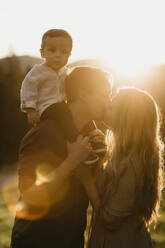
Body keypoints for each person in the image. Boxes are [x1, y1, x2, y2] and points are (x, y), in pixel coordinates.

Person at [10, 66, 112, 248]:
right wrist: (71, 162)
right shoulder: (43, 133)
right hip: (36, 241)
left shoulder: (91, 138)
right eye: (104, 94)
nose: (108, 102)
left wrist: (104, 153)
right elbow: (29, 195)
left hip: (71, 240)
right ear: (83, 95)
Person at [88, 87, 164, 248]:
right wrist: (105, 151)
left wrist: (85, 179)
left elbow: (110, 219)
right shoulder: (125, 154)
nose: (105, 107)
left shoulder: (132, 164)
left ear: (125, 119)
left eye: (110, 107)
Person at [20, 28, 100, 165]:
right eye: (52, 50)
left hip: (63, 105)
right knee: (62, 112)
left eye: (64, 52)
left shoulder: (65, 72)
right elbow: (28, 90)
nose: (58, 55)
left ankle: (95, 136)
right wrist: (31, 110)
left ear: (69, 55)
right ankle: (76, 144)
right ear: (42, 53)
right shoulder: (37, 73)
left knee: (80, 111)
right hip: (45, 107)